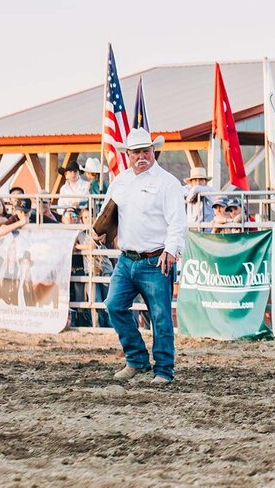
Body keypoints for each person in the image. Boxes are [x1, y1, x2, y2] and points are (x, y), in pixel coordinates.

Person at [101, 128, 186, 386]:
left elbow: (178, 222)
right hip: (126, 259)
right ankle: (136, 358)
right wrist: (100, 232)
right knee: (113, 305)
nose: (141, 156)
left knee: (160, 317)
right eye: (136, 152)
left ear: (153, 152)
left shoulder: (167, 183)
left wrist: (171, 250)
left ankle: (163, 370)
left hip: (155, 258)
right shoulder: (120, 181)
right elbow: (108, 213)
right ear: (128, 154)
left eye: (145, 151)